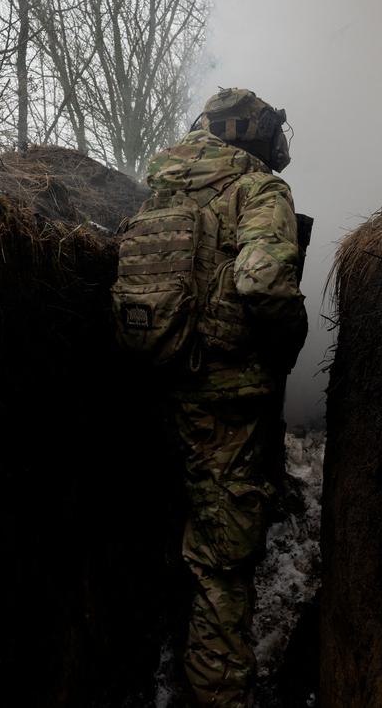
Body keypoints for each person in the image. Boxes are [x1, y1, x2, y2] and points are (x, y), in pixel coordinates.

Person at [141, 88, 308, 707]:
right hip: (226, 405)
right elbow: (262, 281)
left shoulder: (163, 189)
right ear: (253, 134)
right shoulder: (258, 189)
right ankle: (218, 692)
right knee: (222, 559)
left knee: (173, 525)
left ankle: (164, 663)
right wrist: (288, 345)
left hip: (156, 385)